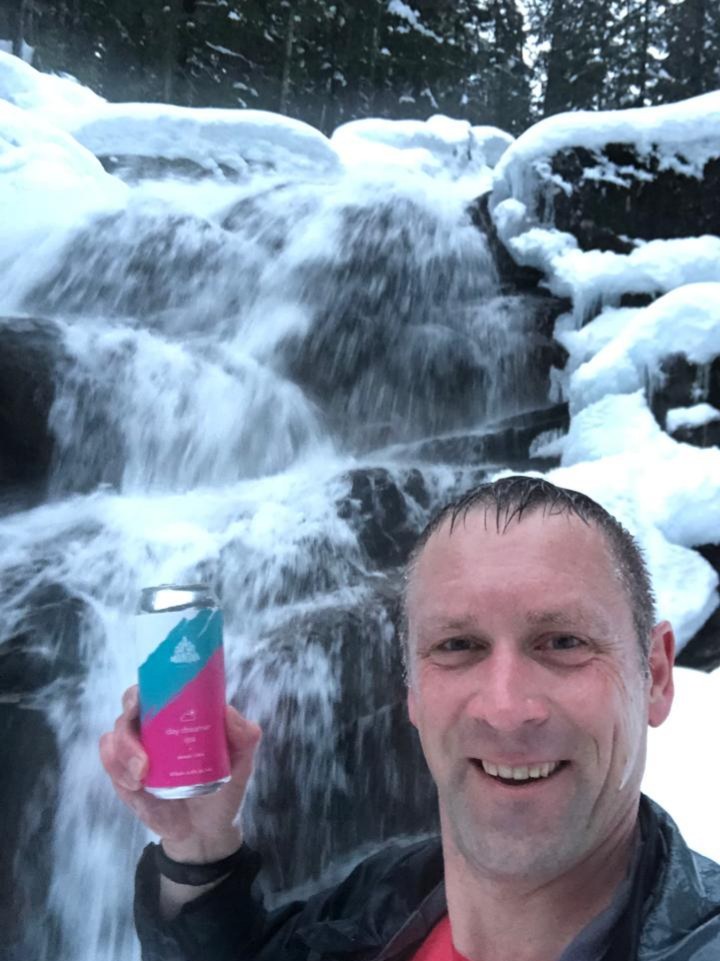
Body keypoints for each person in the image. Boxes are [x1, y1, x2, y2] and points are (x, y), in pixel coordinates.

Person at [100, 475, 720, 961]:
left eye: (563, 642)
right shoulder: (374, 905)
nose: (505, 709)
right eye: (458, 645)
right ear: (413, 694)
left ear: (656, 677)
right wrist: (198, 848)